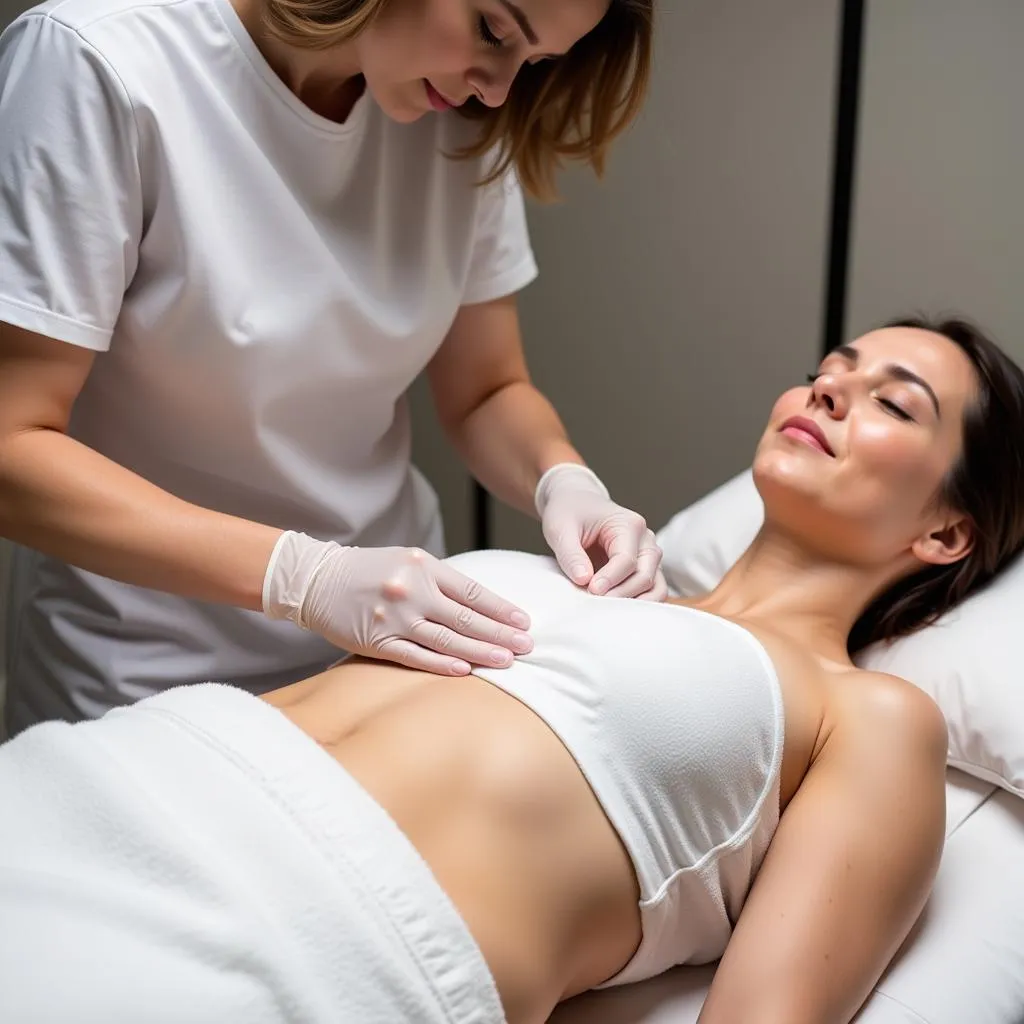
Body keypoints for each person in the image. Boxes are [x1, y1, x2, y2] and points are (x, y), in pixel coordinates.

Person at [3, 317, 1024, 1024]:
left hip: (309, 940)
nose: (830, 390)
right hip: (119, 776)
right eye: (831, 370)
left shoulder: (872, 714)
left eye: (893, 403)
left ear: (945, 529)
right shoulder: (576, 566)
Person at [0, 0, 664, 737]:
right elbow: (11, 446)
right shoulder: (102, 64)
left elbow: (486, 391)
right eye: (494, 32)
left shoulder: (460, 117)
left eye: (534, 63)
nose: (499, 90)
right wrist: (302, 577)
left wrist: (563, 479)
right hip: (143, 671)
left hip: (393, 648)